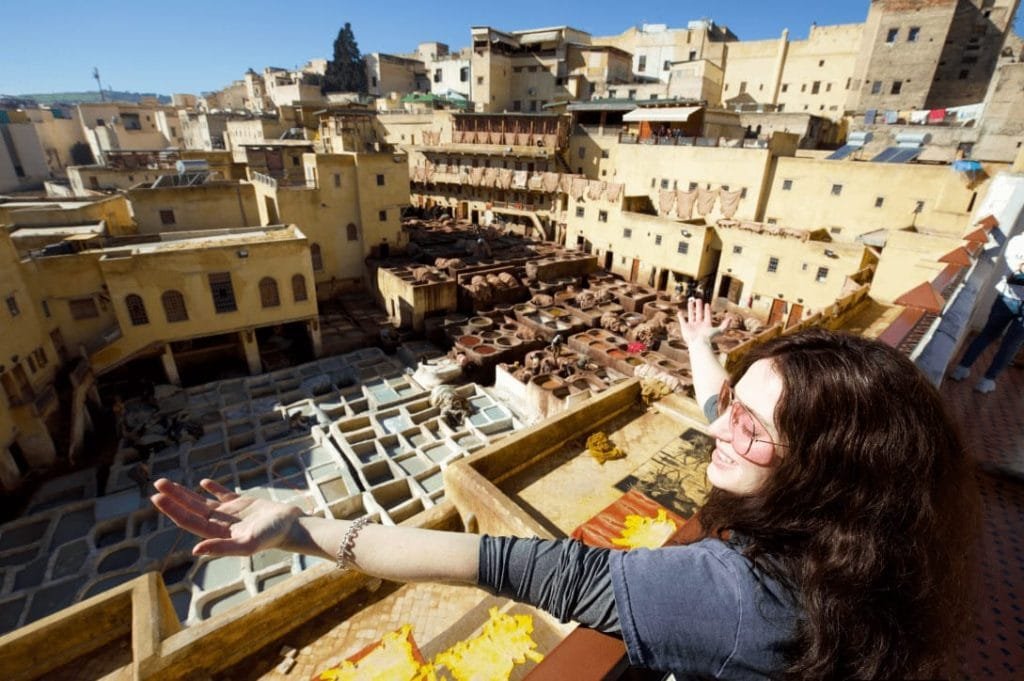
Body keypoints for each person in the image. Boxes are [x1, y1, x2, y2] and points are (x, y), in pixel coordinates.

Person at [150, 299, 978, 680]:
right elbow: (728, 414)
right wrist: (702, 356)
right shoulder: (869, 554)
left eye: (752, 427)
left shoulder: (733, 597)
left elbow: (516, 564)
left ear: (819, 471)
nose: (721, 427)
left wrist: (308, 532)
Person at [949, 233, 1024, 393]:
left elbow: (1014, 268)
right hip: (1010, 297)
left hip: (1007, 296)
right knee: (1010, 345)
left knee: (987, 334)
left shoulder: (1016, 241)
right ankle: (987, 381)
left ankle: (961, 369)